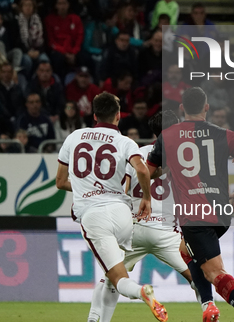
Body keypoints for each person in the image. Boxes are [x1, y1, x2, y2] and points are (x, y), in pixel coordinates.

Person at [146, 87, 234, 322]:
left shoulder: (168, 136)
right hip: (221, 213)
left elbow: (148, 173)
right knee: (185, 251)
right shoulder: (224, 134)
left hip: (193, 214)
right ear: (206, 107)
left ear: (181, 109)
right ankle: (208, 305)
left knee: (213, 271)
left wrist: (161, 172)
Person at [56, 91, 168, 322]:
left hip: (94, 217)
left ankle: (141, 292)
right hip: (122, 214)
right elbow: (142, 169)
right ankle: (96, 319)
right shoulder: (125, 141)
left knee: (117, 277)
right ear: (118, 115)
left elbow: (60, 182)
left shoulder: (74, 137)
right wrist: (146, 197)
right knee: (109, 275)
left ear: (94, 115)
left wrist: (86, 189)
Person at [87, 110, 199, 322]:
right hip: (167, 233)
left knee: (112, 278)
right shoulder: (186, 157)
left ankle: (95, 319)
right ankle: (209, 312)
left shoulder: (136, 154)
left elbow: (124, 190)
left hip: (134, 229)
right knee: (198, 278)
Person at [45, 0, 84, 81]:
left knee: (85, 57)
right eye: (60, 4)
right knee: (58, 59)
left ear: (68, 5)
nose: (62, 6)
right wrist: (64, 53)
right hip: (58, 51)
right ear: (56, 6)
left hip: (73, 50)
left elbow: (79, 37)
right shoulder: (50, 19)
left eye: (64, 3)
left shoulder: (75, 19)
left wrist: (74, 52)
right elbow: (51, 41)